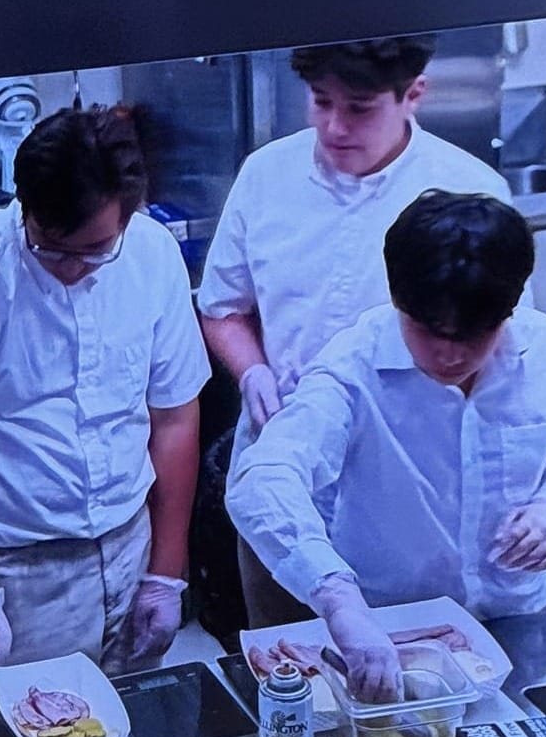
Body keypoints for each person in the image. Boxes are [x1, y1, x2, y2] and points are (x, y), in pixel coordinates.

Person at [0, 105, 209, 699]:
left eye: (94, 250)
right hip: (11, 574)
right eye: (53, 249)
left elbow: (175, 417)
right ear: (25, 208)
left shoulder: (153, 255)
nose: (73, 268)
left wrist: (166, 571)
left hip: (129, 547)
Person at [227, 190, 546, 702]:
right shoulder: (353, 367)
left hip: (516, 618)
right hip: (391, 632)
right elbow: (262, 480)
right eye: (427, 331)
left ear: (508, 310)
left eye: (472, 334)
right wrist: (341, 602)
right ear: (399, 302)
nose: (449, 352)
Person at [196, 36, 516, 626]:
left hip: (409, 496)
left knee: (410, 674)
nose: (334, 126)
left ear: (413, 95)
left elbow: (495, 349)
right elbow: (223, 308)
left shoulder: (469, 192)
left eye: (360, 107)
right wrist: (253, 371)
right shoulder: (268, 174)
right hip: (284, 473)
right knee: (289, 663)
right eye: (320, 102)